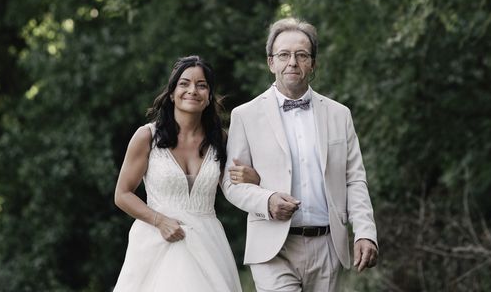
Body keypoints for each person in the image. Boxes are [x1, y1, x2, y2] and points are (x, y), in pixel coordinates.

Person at [223, 17, 379, 291]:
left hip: (328, 246)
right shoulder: (245, 115)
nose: (292, 62)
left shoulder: (339, 115)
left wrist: (365, 232)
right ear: (271, 62)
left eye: (301, 55)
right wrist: (267, 199)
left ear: (313, 63)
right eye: (284, 55)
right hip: (273, 248)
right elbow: (231, 184)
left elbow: (354, 180)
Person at [113, 55, 259, 292]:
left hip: (208, 245)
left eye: (201, 85)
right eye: (184, 83)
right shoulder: (147, 137)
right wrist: (159, 221)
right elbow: (122, 194)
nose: (193, 90)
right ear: (171, 93)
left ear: (209, 96)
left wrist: (253, 179)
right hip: (157, 243)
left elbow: (234, 185)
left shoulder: (221, 139)